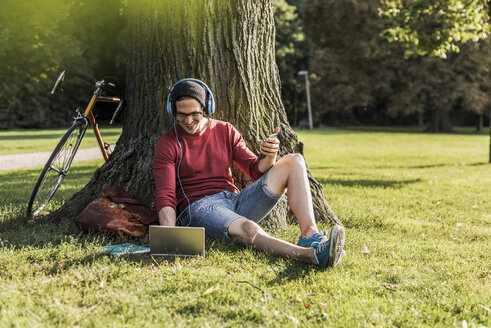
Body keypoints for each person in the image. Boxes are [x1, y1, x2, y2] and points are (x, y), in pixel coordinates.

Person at [153, 79, 345, 268]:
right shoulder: (168, 144)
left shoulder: (225, 130)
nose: (188, 121)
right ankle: (311, 256)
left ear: (206, 108)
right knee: (249, 229)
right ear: (173, 112)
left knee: (294, 161)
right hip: (200, 208)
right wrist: (169, 236)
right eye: (181, 115)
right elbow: (166, 195)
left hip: (234, 200)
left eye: (194, 113)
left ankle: (310, 237)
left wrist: (269, 155)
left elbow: (255, 170)